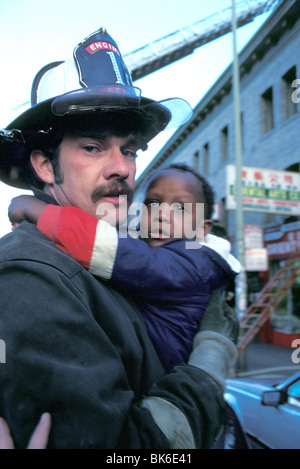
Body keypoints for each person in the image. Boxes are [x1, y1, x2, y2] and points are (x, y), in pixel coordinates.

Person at [0, 27, 239, 449]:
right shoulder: (30, 274)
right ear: (43, 165)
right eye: (93, 147)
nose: (122, 169)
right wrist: (206, 369)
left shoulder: (106, 254)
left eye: (128, 150)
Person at [9, 163, 240, 373]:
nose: (161, 215)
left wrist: (36, 210)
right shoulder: (149, 247)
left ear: (202, 229)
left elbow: (112, 249)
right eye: (152, 203)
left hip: (162, 380)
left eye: (180, 208)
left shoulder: (196, 263)